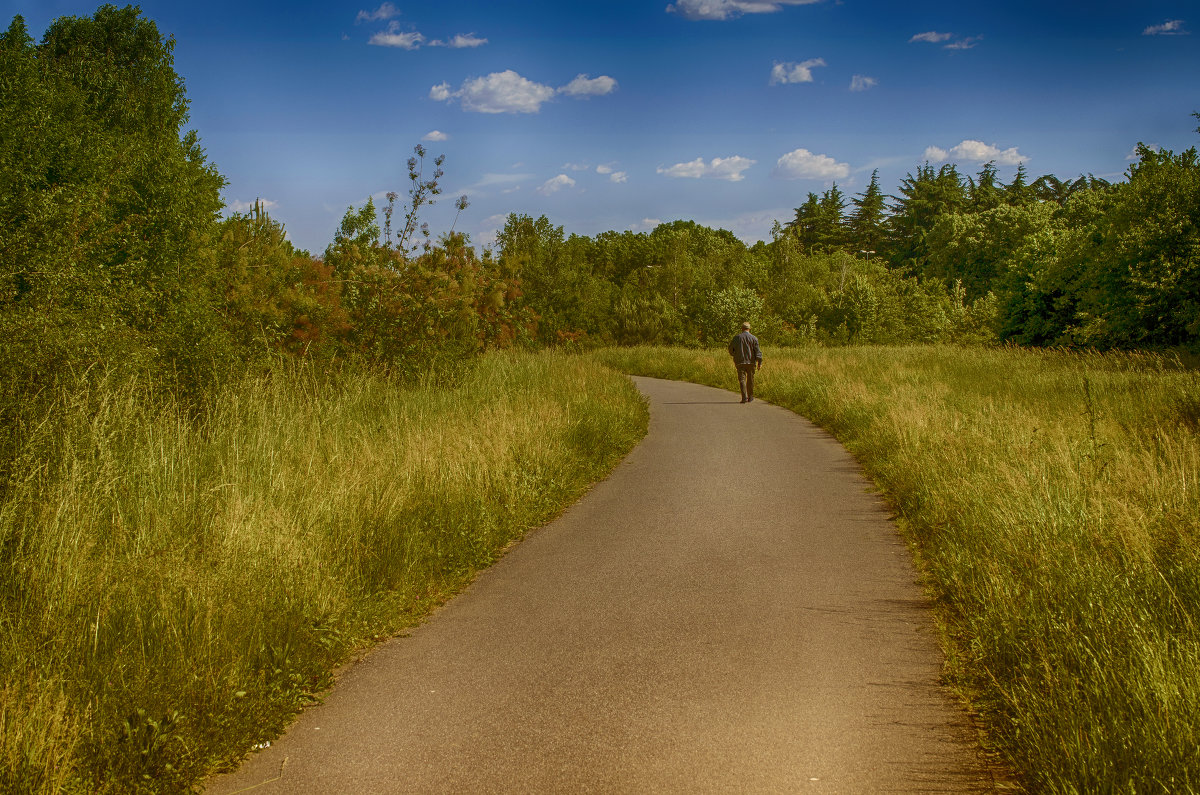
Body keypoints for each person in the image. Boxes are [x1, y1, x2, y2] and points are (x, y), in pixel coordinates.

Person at [728, 321, 762, 403]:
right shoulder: (754, 338)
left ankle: (744, 398)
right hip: (751, 362)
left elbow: (730, 349)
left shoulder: (737, 338)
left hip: (740, 361)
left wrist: (734, 354)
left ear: (742, 328)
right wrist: (759, 362)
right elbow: (757, 352)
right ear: (749, 329)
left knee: (742, 379)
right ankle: (750, 397)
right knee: (750, 379)